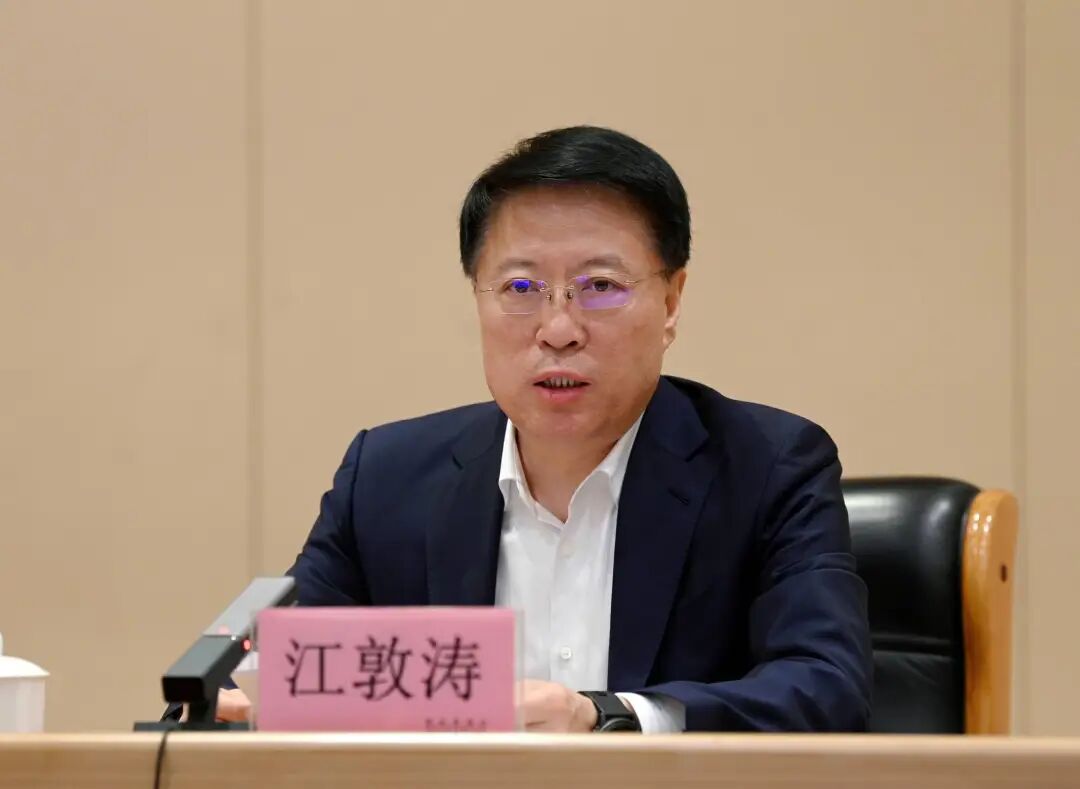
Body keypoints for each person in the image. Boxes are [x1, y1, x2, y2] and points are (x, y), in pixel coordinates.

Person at [213, 126, 872, 732]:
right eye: (521, 288)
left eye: (601, 286)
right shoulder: (386, 478)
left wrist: (610, 717)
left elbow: (825, 687)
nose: (558, 330)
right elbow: (268, 663)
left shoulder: (768, 467)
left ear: (671, 303)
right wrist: (232, 693)